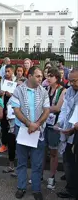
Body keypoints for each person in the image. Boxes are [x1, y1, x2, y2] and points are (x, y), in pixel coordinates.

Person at [10, 66, 50, 200]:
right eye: (38, 76)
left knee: (37, 162)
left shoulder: (43, 92)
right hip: (22, 129)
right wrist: (29, 124)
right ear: (30, 76)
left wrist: (37, 124)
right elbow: (16, 110)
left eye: (41, 76)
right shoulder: (18, 90)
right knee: (21, 161)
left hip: (38, 131)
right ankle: (21, 187)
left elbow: (46, 110)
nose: (41, 79)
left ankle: (36, 189)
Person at [55, 68, 78, 199]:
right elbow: (64, 109)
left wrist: (74, 129)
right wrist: (59, 123)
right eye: (70, 81)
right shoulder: (69, 91)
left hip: (75, 132)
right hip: (67, 130)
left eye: (75, 81)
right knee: (67, 159)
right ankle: (71, 187)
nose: (72, 84)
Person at [43, 68, 65, 189]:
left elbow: (57, 108)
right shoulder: (45, 89)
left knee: (53, 152)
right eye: (48, 75)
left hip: (55, 125)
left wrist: (45, 108)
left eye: (51, 76)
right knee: (41, 151)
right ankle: (39, 175)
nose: (48, 78)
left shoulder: (63, 90)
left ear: (57, 78)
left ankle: (51, 177)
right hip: (44, 123)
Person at [0, 64, 16, 153]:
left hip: (13, 108)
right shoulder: (1, 81)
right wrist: (0, 93)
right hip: (3, 106)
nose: (7, 73)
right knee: (4, 125)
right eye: (6, 71)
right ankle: (4, 144)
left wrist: (11, 95)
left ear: (12, 72)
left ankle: (14, 145)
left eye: (9, 71)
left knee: (13, 127)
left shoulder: (16, 81)